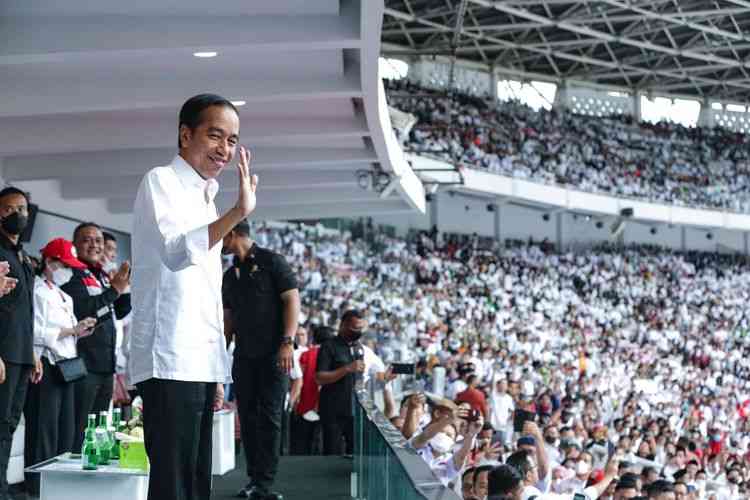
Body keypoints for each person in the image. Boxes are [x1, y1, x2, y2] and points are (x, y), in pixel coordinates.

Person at [129, 93, 257, 500]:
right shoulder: (160, 181)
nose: (225, 149)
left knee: (198, 478)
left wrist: (216, 366)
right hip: (169, 358)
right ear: (186, 134)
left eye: (233, 141)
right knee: (173, 480)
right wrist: (237, 213)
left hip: (198, 360)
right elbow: (175, 252)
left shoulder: (206, 196)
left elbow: (206, 294)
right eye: (215, 135)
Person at [221, 219, 300, 499]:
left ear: (233, 232)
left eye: (222, 234)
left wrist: (287, 342)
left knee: (270, 417)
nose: (218, 240)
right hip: (244, 356)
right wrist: (222, 351)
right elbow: (228, 317)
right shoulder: (229, 276)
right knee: (249, 418)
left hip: (274, 355)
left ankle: (265, 482)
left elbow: (292, 300)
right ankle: (254, 480)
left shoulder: (273, 262)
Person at [23, 238, 96, 495]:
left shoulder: (63, 295)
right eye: (64, 264)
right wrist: (70, 330)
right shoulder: (37, 290)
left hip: (67, 365)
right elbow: (36, 331)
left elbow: (66, 331)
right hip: (45, 363)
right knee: (44, 428)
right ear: (50, 262)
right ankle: (37, 485)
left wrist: (79, 331)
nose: (68, 270)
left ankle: (57, 483)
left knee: (64, 428)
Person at [64, 222, 131, 451]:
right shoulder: (71, 273)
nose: (94, 245)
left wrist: (124, 287)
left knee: (100, 425)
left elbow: (119, 311)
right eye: (87, 239)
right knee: (81, 425)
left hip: (106, 364)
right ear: (75, 245)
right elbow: (84, 310)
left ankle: (94, 475)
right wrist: (114, 291)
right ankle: (73, 477)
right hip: (84, 363)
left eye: (98, 240)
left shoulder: (102, 275)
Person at [0, 187, 42, 500]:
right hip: (3, 352)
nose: (19, 214)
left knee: (10, 424)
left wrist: (33, 353)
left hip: (21, 351)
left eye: (23, 208)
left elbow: (25, 310)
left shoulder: (22, 255)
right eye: (10, 208)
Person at [316, 310, 395, 456]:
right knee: (333, 452)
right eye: (354, 328)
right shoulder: (329, 346)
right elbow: (320, 377)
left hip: (356, 410)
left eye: (360, 328)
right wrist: (346, 369)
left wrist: (384, 378)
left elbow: (366, 379)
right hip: (333, 409)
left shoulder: (360, 348)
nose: (358, 332)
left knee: (357, 454)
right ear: (343, 326)